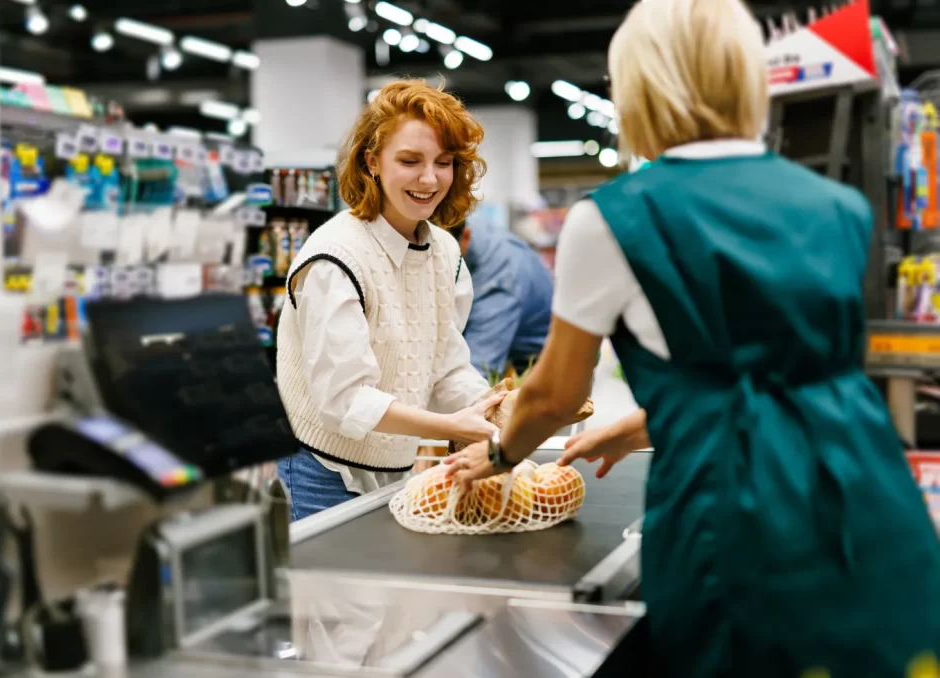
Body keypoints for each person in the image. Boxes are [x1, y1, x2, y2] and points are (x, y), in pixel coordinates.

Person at [444, 0, 940, 675]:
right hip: (868, 503)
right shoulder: (842, 209)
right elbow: (796, 382)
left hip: (732, 521)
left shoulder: (613, 218)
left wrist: (500, 454)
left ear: (643, 88)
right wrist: (641, 427)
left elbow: (557, 396)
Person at [276, 80, 500, 522]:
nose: (429, 178)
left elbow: (446, 369)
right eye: (410, 161)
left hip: (394, 468)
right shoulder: (334, 257)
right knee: (329, 591)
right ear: (372, 161)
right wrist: (453, 427)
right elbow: (346, 402)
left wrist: (492, 408)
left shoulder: (445, 252)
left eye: (444, 162)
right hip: (317, 471)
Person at [448, 221, 553, 378]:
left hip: (542, 364)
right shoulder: (452, 226)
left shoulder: (498, 281)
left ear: (465, 238)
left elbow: (475, 372)